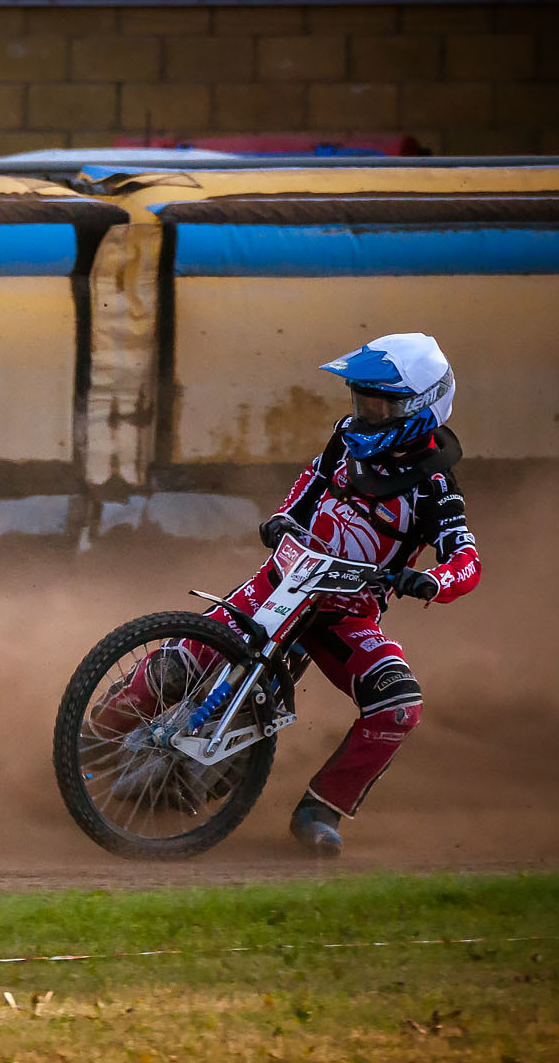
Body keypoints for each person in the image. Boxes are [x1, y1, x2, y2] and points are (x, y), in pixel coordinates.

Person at [198, 333, 481, 853]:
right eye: (361, 399)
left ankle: (318, 810)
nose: (364, 413)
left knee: (399, 705)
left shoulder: (436, 486)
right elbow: (309, 484)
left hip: (345, 616)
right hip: (285, 581)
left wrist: (432, 581)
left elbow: (466, 560)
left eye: (379, 402)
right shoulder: (345, 438)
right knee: (186, 657)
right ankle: (93, 739)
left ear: (420, 407)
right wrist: (284, 518)